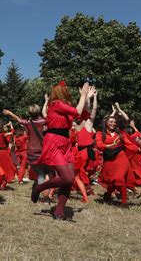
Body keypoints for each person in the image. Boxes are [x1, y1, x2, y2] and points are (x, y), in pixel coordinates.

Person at [30, 81, 95, 220]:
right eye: (65, 89)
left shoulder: (66, 108)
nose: (67, 91)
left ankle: (59, 212)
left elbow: (83, 114)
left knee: (68, 180)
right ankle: (39, 188)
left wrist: (87, 99)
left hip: (66, 143)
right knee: (66, 177)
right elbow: (77, 111)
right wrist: (83, 95)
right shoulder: (55, 104)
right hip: (54, 142)